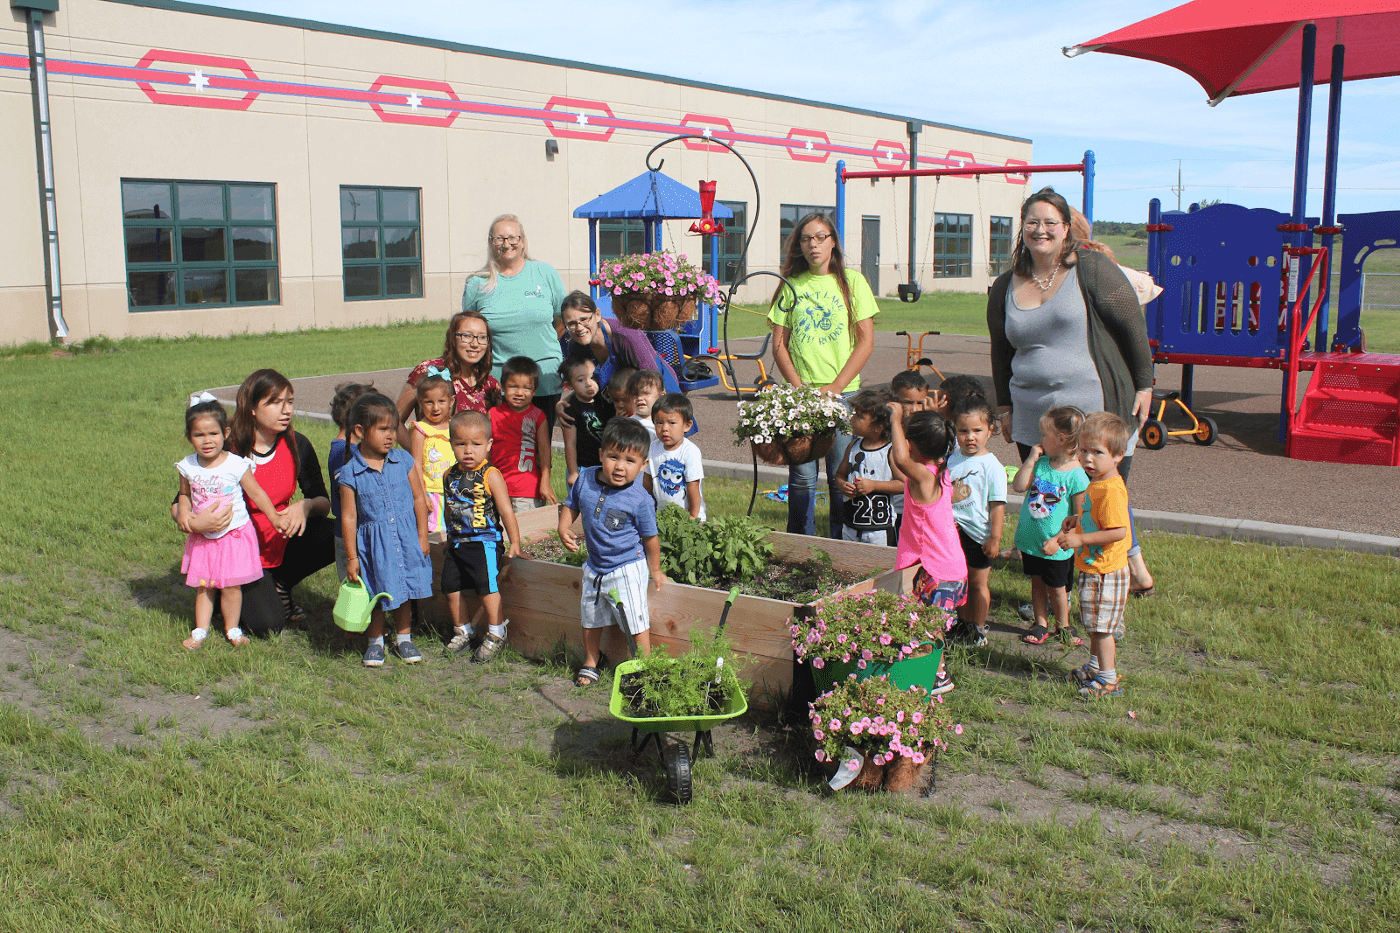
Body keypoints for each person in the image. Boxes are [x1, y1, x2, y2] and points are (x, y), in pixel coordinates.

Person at [987, 187, 1155, 597]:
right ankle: (1054, 588)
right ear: (1022, 229)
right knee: (1049, 501)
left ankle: (1104, 584)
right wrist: (1005, 406)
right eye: (1032, 222)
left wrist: (1145, 383)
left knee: (1099, 500)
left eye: (1050, 223)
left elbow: (1132, 326)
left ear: (1066, 229)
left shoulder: (1091, 268)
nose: (1040, 230)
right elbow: (1000, 349)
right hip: (1034, 415)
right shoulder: (1005, 285)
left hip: (1094, 411)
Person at [179, 369, 334, 635]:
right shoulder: (227, 446)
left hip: (281, 539)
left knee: (336, 532)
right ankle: (223, 591)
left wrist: (304, 506)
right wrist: (194, 521)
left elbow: (323, 501)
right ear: (251, 408)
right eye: (274, 403)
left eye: (289, 402)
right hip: (237, 549)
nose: (285, 410)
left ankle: (280, 583)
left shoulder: (299, 444)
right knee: (267, 625)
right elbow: (181, 500)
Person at [768, 212, 878, 538]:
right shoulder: (791, 285)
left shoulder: (853, 282)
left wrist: (835, 387)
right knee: (801, 477)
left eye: (820, 237)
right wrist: (801, 391)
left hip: (843, 397)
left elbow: (866, 341)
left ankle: (838, 547)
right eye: (806, 239)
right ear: (798, 245)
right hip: (802, 399)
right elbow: (778, 345)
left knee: (838, 476)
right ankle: (799, 546)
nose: (813, 245)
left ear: (833, 242)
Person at [174, 396, 291, 650]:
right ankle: (200, 631)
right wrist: (185, 515)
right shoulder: (188, 466)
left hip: (234, 535)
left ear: (225, 433)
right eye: (199, 435)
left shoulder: (237, 465)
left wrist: (274, 517)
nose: (207, 441)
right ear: (188, 436)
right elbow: (184, 494)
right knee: (205, 586)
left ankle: (232, 629)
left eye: (213, 433)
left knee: (231, 586)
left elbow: (257, 493)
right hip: (204, 538)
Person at [559, 419, 666, 688]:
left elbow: (650, 538)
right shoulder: (585, 479)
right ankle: (592, 660)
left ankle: (644, 666)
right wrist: (563, 526)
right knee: (590, 617)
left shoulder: (640, 499)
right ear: (601, 455)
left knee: (635, 619)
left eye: (630, 461)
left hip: (626, 567)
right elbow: (572, 503)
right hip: (594, 566)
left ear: (643, 467)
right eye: (613, 457)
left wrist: (655, 570)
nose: (620, 466)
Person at [337, 393, 434, 668]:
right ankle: (375, 642)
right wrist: (352, 557)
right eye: (383, 429)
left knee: (403, 591)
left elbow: (418, 498)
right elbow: (348, 516)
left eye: (393, 428)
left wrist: (422, 536)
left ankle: (404, 637)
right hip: (373, 545)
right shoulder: (350, 473)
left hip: (405, 538)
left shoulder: (403, 461)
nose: (390, 435)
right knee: (377, 592)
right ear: (360, 431)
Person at [1047, 412, 1132, 699]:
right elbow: (1097, 518)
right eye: (1083, 450)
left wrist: (1082, 538)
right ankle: (1096, 668)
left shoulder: (1111, 490)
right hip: (1096, 567)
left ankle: (1108, 679)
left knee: (1102, 629)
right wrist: (1077, 520)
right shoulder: (1098, 483)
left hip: (1106, 570)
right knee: (1095, 623)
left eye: (1097, 452)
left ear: (1118, 455)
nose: (1088, 459)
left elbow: (1118, 531)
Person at [886, 403, 964, 697]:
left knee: (926, 629)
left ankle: (934, 677)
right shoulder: (937, 472)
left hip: (935, 570)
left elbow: (901, 460)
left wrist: (896, 420)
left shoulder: (926, 478)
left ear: (913, 445)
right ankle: (934, 673)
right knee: (927, 626)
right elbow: (901, 464)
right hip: (945, 565)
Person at [463, 214, 566, 435]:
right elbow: (467, 331)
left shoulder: (544, 273)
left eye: (512, 237)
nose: (506, 244)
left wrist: (541, 346)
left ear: (523, 241)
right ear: (491, 242)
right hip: (499, 382)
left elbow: (562, 319)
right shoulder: (477, 282)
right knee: (502, 449)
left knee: (539, 453)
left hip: (544, 377)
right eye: (499, 238)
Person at [439, 410, 525, 663]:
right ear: (451, 443)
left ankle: (497, 632)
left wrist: (515, 541)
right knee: (450, 588)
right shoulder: (449, 475)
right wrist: (447, 535)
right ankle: (464, 630)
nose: (468, 450)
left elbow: (506, 510)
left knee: (486, 588)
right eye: (460, 444)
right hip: (456, 542)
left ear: (488, 445)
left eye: (476, 444)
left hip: (484, 543)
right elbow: (449, 507)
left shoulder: (491, 475)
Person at [1011, 405, 1089, 646]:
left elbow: (1080, 516)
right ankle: (1040, 622)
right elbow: (1018, 486)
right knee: (1037, 582)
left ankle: (1063, 625)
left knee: (1057, 588)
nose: (1040, 440)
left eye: (1045, 435)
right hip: (1032, 541)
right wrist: (1031, 459)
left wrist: (1057, 540)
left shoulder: (1076, 475)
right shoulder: (1042, 463)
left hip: (1056, 545)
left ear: (1062, 438)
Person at [946, 393, 1007, 647]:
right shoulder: (952, 459)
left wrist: (995, 538)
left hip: (979, 535)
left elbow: (997, 505)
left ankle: (979, 628)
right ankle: (963, 623)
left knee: (978, 582)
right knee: (960, 581)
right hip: (952, 532)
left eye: (977, 430)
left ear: (990, 431)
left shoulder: (992, 466)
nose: (970, 437)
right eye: (963, 431)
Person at [557, 290, 681, 401]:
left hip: (656, 387)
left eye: (584, 319)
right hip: (616, 400)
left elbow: (653, 383)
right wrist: (566, 402)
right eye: (571, 324)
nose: (579, 328)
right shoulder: (576, 346)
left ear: (597, 315)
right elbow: (579, 383)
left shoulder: (627, 335)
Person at [396, 310, 502, 440]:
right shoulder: (428, 371)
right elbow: (395, 421)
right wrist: (417, 452)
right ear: (453, 338)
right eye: (467, 336)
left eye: (482, 337)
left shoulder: (491, 384)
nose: (475, 344)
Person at [834, 388, 902, 546]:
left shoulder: (890, 451)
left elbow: (904, 484)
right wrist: (842, 485)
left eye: (859, 416)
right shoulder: (853, 446)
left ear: (878, 426)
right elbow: (840, 474)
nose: (852, 418)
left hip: (879, 529)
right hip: (851, 525)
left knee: (880, 566)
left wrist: (874, 485)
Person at [489, 356, 557, 514]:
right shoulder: (492, 414)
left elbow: (545, 452)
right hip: (495, 487)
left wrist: (545, 483)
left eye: (527, 388)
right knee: (497, 533)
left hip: (527, 490)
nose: (520, 393)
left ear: (534, 391)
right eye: (513, 386)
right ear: (503, 386)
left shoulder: (538, 417)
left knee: (527, 534)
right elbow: (486, 450)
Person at [328, 383, 376, 582]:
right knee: (357, 596)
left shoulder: (348, 449)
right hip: (352, 538)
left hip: (359, 534)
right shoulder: (344, 453)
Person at [405, 374, 454, 544]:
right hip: (431, 493)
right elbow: (415, 464)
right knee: (434, 537)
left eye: (441, 401)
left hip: (454, 492)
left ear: (451, 401)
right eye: (429, 402)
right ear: (420, 403)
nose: (435, 408)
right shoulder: (420, 430)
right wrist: (422, 495)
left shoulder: (455, 427)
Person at [645, 393, 706, 521]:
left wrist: (693, 516)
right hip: (663, 515)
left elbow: (693, 486)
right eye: (659, 423)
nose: (664, 428)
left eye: (672, 423)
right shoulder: (652, 448)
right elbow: (647, 481)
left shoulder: (690, 451)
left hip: (688, 515)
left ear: (687, 425)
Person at [559, 354, 615, 489]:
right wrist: (573, 472)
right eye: (580, 380)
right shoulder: (570, 408)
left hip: (605, 465)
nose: (589, 383)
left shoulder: (605, 401)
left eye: (592, 377)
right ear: (569, 385)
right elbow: (570, 444)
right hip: (582, 467)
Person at [627, 369, 664, 445]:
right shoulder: (629, 425)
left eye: (646, 393)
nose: (639, 398)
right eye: (635, 394)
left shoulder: (667, 420)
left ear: (661, 396)